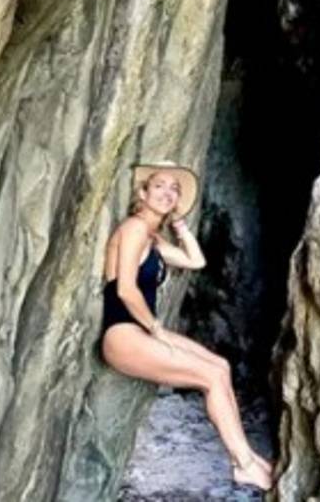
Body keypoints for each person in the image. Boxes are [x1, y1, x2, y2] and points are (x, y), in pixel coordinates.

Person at [99, 161, 273, 491]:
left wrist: (178, 223)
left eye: (174, 189)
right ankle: (244, 466)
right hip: (122, 333)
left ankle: (248, 459)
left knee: (219, 367)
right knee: (209, 376)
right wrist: (155, 327)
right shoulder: (134, 228)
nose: (167, 193)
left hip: (136, 332)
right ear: (142, 192)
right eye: (159, 186)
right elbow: (125, 289)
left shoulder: (152, 238)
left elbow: (196, 261)